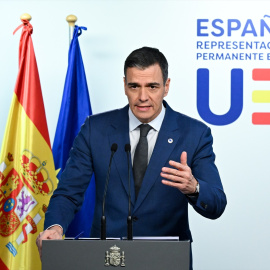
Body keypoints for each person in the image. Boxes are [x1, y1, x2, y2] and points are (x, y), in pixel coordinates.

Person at [36, 47, 227, 267]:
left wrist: (194, 187)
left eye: (152, 87)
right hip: (106, 259)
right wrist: (54, 227)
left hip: (166, 260)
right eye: (134, 86)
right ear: (125, 85)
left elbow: (217, 204)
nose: (142, 97)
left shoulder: (194, 133)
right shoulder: (95, 129)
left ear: (166, 87)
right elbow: (69, 193)